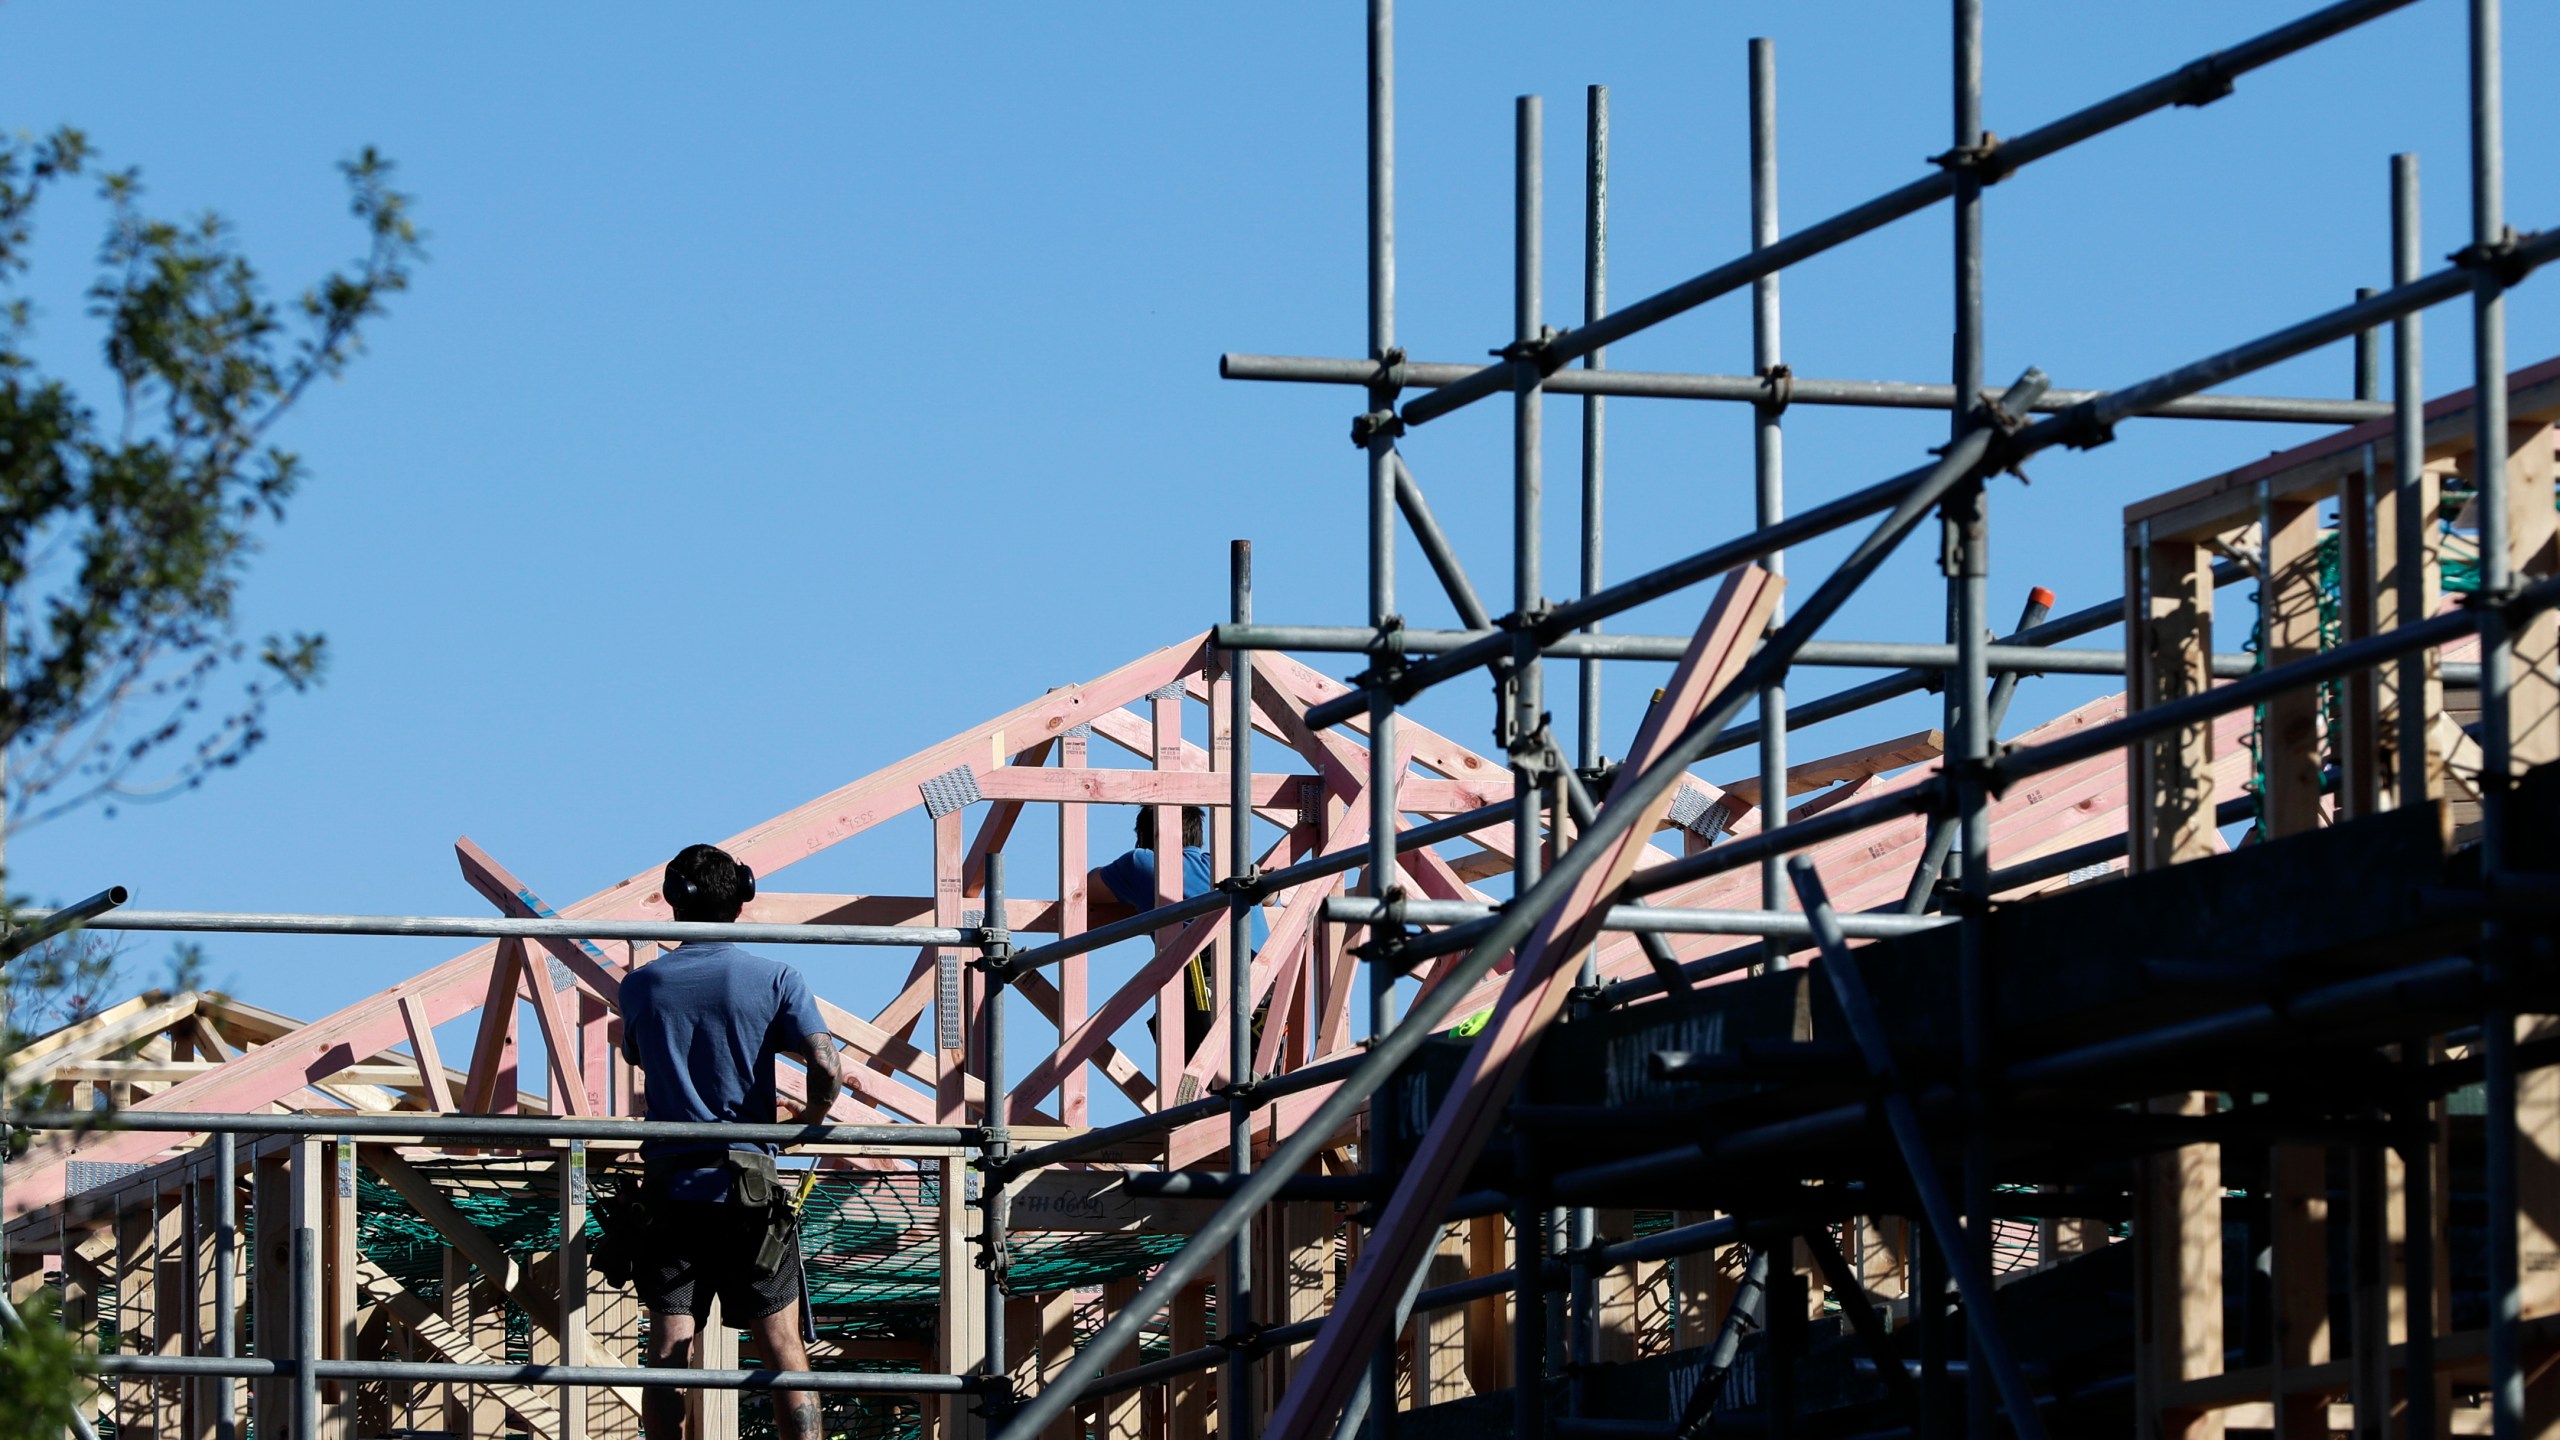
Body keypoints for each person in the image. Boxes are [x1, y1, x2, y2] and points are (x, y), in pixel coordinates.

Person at [618, 843, 843, 1440]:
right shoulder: (776, 978)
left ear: (672, 899)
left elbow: (637, 1055)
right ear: (742, 896)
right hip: (750, 1193)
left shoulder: (641, 987)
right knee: (781, 1347)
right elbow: (826, 1065)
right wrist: (809, 1116)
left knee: (670, 1351)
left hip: (671, 1191)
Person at [1088, 806, 1267, 1059]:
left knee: (1204, 1085)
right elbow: (1270, 898)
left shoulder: (1143, 862)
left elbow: (1083, 891)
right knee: (1257, 1086)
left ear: (1144, 835)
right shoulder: (1230, 868)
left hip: (1207, 984)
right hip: (1266, 991)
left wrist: (1139, 895)